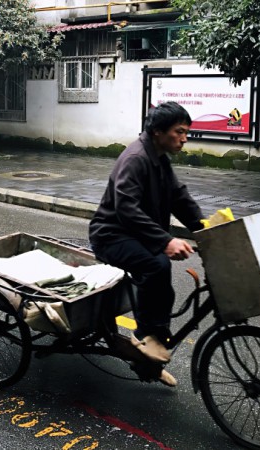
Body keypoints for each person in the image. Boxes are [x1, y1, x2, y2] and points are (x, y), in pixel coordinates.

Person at [89, 101, 204, 387]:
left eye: (186, 132)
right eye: (179, 131)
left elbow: (180, 198)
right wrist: (165, 240)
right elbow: (126, 208)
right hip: (111, 236)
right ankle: (144, 338)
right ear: (157, 131)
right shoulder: (136, 158)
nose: (184, 138)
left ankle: (151, 355)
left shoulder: (160, 158)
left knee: (163, 285)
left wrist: (207, 230)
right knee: (156, 265)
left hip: (136, 235)